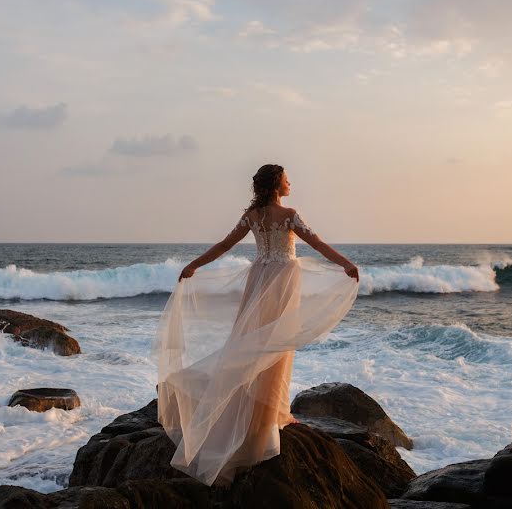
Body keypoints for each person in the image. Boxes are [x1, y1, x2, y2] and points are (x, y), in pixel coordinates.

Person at [150, 163, 360, 488]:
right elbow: (315, 242)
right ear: (278, 184)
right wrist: (345, 263)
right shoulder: (289, 213)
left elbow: (223, 245)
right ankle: (270, 420)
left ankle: (267, 414)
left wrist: (193, 265)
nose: (291, 181)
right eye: (287, 177)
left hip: (258, 281)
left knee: (251, 347)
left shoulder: (252, 216)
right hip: (282, 282)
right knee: (276, 347)